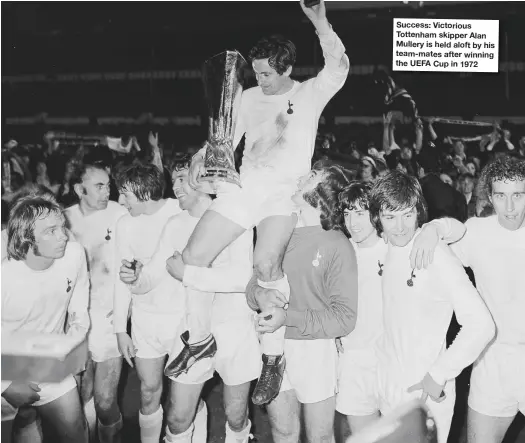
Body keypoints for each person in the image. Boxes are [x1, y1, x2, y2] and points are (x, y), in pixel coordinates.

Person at [172, 0, 350, 405]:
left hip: (282, 193)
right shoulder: (247, 97)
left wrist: (319, 21)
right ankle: (199, 340)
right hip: (244, 185)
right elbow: (221, 142)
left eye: (267, 73)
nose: (260, 79)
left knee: (266, 265)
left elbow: (338, 65)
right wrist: (202, 162)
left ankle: (273, 357)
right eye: (256, 72)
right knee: (193, 256)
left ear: (286, 68)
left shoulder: (310, 93)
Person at [119, 159, 260, 443]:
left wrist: (189, 274)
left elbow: (241, 279)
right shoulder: (175, 224)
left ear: (205, 180)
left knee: (235, 415)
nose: (175, 186)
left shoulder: (236, 218)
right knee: (178, 416)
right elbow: (154, 276)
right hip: (192, 335)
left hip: (234, 330)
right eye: (173, 180)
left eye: (182, 178)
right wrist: (135, 279)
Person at [367, 170, 495, 443]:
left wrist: (438, 375)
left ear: (419, 212)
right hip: (389, 387)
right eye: (390, 217)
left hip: (425, 393)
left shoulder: (433, 253)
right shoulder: (385, 246)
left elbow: (481, 325)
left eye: (408, 215)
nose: (400, 227)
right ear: (378, 217)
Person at [335, 181, 469, 435]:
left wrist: (435, 227)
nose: (353, 222)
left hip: (406, 373)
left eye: (360, 213)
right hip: (365, 364)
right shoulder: (345, 249)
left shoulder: (402, 244)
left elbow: (460, 230)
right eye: (347, 213)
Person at [246, 164, 357, 443]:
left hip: (315, 349)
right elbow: (252, 285)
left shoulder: (338, 243)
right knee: (283, 432)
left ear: (323, 192)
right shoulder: (280, 232)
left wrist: (289, 317)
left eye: (310, 177)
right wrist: (259, 294)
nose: (299, 179)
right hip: (273, 346)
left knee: (319, 437)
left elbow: (344, 318)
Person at [1, 196, 90, 443]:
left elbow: (79, 303)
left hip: (49, 359)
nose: (63, 235)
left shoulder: (74, 255)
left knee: (76, 433)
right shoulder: (4, 279)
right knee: (25, 416)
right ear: (25, 238)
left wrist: (73, 343)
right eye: (51, 231)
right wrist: (6, 385)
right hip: (5, 364)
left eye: (62, 226)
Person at [449, 156, 525, 443]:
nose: (509, 207)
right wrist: (435, 230)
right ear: (490, 197)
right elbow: (435, 268)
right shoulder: (477, 232)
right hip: (492, 360)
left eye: (518, 195)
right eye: (501, 196)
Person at [112, 163, 182, 443]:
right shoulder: (125, 223)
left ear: (143, 193)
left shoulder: (181, 211)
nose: (120, 201)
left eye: (125, 195)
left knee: (182, 397)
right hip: (144, 320)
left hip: (182, 319)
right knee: (148, 389)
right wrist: (120, 328)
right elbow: (122, 276)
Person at [65, 163, 127, 443]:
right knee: (79, 397)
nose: (107, 191)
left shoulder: (121, 214)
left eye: (108, 185)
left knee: (104, 401)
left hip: (110, 317)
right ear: (80, 190)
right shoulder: (63, 221)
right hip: (74, 320)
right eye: (99, 186)